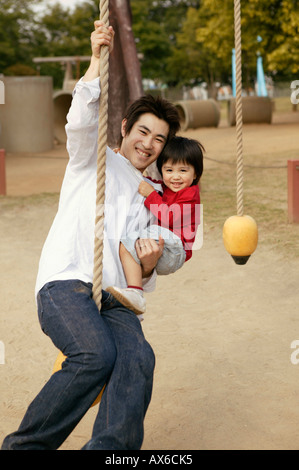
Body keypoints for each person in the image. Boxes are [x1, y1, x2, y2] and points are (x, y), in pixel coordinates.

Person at [1, 20, 180, 451]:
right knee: (95, 355)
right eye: (142, 132)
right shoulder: (92, 158)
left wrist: (155, 258)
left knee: (138, 357)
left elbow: (168, 253)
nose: (149, 144)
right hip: (66, 281)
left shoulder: (151, 195)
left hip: (114, 295)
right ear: (123, 128)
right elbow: (81, 121)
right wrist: (96, 59)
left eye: (159, 139)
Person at [106, 136, 204, 315]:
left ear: (195, 173)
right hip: (165, 248)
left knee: (129, 241)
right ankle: (133, 291)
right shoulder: (169, 188)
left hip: (175, 248)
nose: (175, 176)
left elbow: (170, 217)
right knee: (128, 244)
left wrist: (151, 195)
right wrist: (118, 162)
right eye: (168, 170)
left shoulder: (190, 194)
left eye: (183, 170)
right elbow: (152, 185)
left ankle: (136, 292)